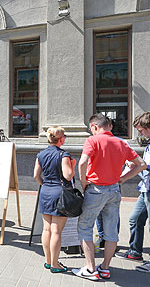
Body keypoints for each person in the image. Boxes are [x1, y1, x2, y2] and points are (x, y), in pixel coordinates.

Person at [73, 114, 146, 281]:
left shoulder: (93, 140)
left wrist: (84, 183)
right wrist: (123, 178)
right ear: (109, 126)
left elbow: (82, 162)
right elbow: (141, 164)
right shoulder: (121, 142)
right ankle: (105, 268)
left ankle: (91, 269)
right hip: (114, 190)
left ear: (94, 127)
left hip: (96, 189)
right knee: (111, 231)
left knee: (85, 227)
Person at [33, 126, 75, 273]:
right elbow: (68, 175)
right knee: (56, 231)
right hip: (59, 193)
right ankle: (55, 264)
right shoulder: (63, 155)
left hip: (45, 192)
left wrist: (44, 184)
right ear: (61, 139)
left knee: (47, 229)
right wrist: (72, 166)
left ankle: (48, 261)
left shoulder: (41, 154)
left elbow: (36, 176)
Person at [115, 112, 150, 273]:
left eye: (141, 130)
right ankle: (135, 252)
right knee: (135, 219)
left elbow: (146, 166)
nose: (140, 134)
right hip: (145, 188)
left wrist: (139, 167)